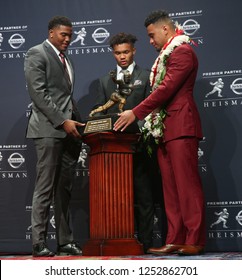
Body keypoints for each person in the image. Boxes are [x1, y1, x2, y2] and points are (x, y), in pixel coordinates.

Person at [114, 10, 206, 256]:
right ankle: (175, 238)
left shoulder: (183, 51)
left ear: (165, 30)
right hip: (163, 128)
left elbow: (166, 89)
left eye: (152, 36)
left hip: (182, 126)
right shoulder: (165, 56)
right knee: (170, 189)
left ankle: (194, 239)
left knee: (187, 186)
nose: (151, 42)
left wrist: (135, 112)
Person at [24, 15, 85, 257]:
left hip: (69, 133)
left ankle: (65, 241)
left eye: (70, 35)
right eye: (64, 35)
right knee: (45, 187)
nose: (68, 39)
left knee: (64, 189)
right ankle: (38, 243)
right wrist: (62, 121)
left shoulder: (66, 58)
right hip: (49, 130)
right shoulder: (36, 53)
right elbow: (38, 94)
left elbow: (65, 97)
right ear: (51, 33)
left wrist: (80, 125)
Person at [92, 32, 156, 253]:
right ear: (113, 54)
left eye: (126, 52)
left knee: (144, 197)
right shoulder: (102, 81)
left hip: (140, 147)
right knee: (116, 200)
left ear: (134, 51)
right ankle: (117, 243)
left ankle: (147, 245)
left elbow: (153, 109)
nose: (122, 56)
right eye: (118, 53)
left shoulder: (147, 76)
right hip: (113, 153)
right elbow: (100, 115)